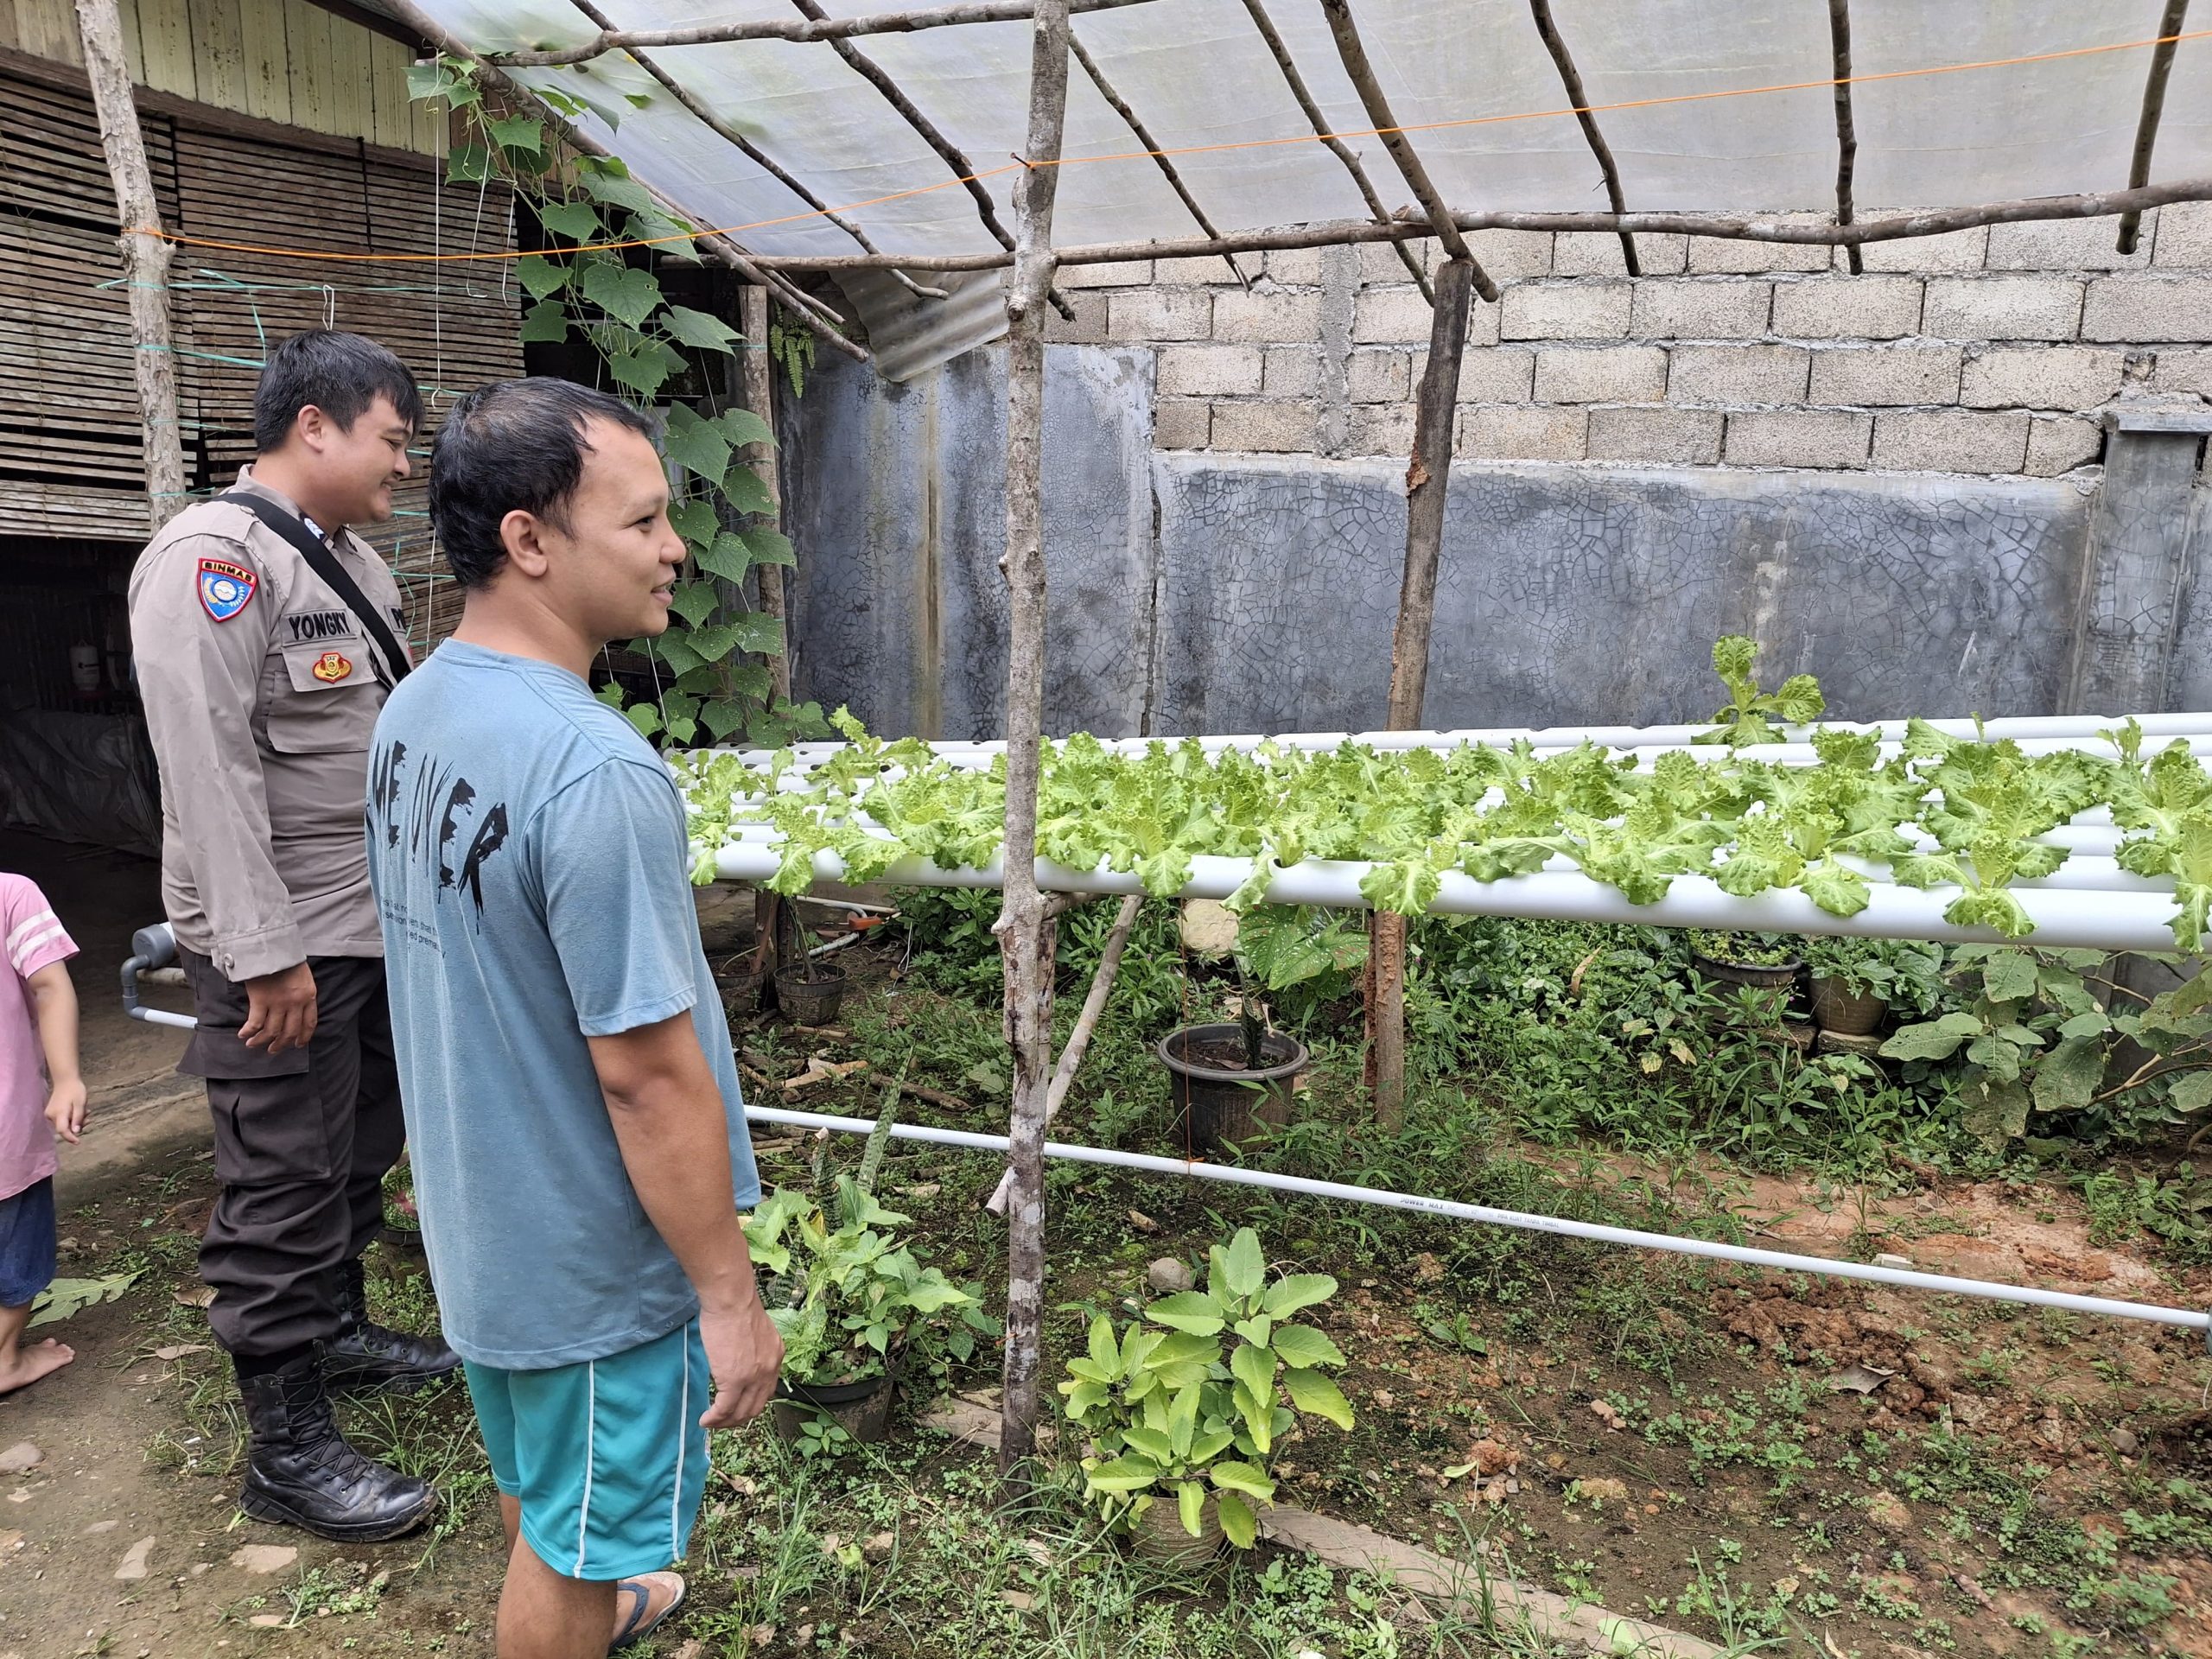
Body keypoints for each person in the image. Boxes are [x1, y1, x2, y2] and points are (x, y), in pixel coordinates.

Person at [367, 376, 780, 1658]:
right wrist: (727, 1293)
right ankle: (572, 1605)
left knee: (545, 1473)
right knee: (573, 1534)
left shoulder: (417, 707)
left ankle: (592, 1602)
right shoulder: (599, 771)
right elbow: (647, 1079)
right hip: (589, 1258)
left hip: (484, 1215)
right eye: (645, 522)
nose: (675, 550)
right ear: (530, 540)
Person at [127, 329, 458, 1542]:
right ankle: (284, 1444)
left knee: (359, 1143)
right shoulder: (212, 562)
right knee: (281, 1174)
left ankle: (338, 1328)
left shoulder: (350, 558)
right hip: (286, 944)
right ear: (313, 426)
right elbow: (205, 769)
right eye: (389, 440)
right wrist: (262, 952)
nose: (400, 467)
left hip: (365, 924)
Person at [0, 873, 85, 1395]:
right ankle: (4, 1360)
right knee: (17, 1258)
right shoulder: (11, 894)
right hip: (6, 1134)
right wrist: (68, 1077)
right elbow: (49, 984)